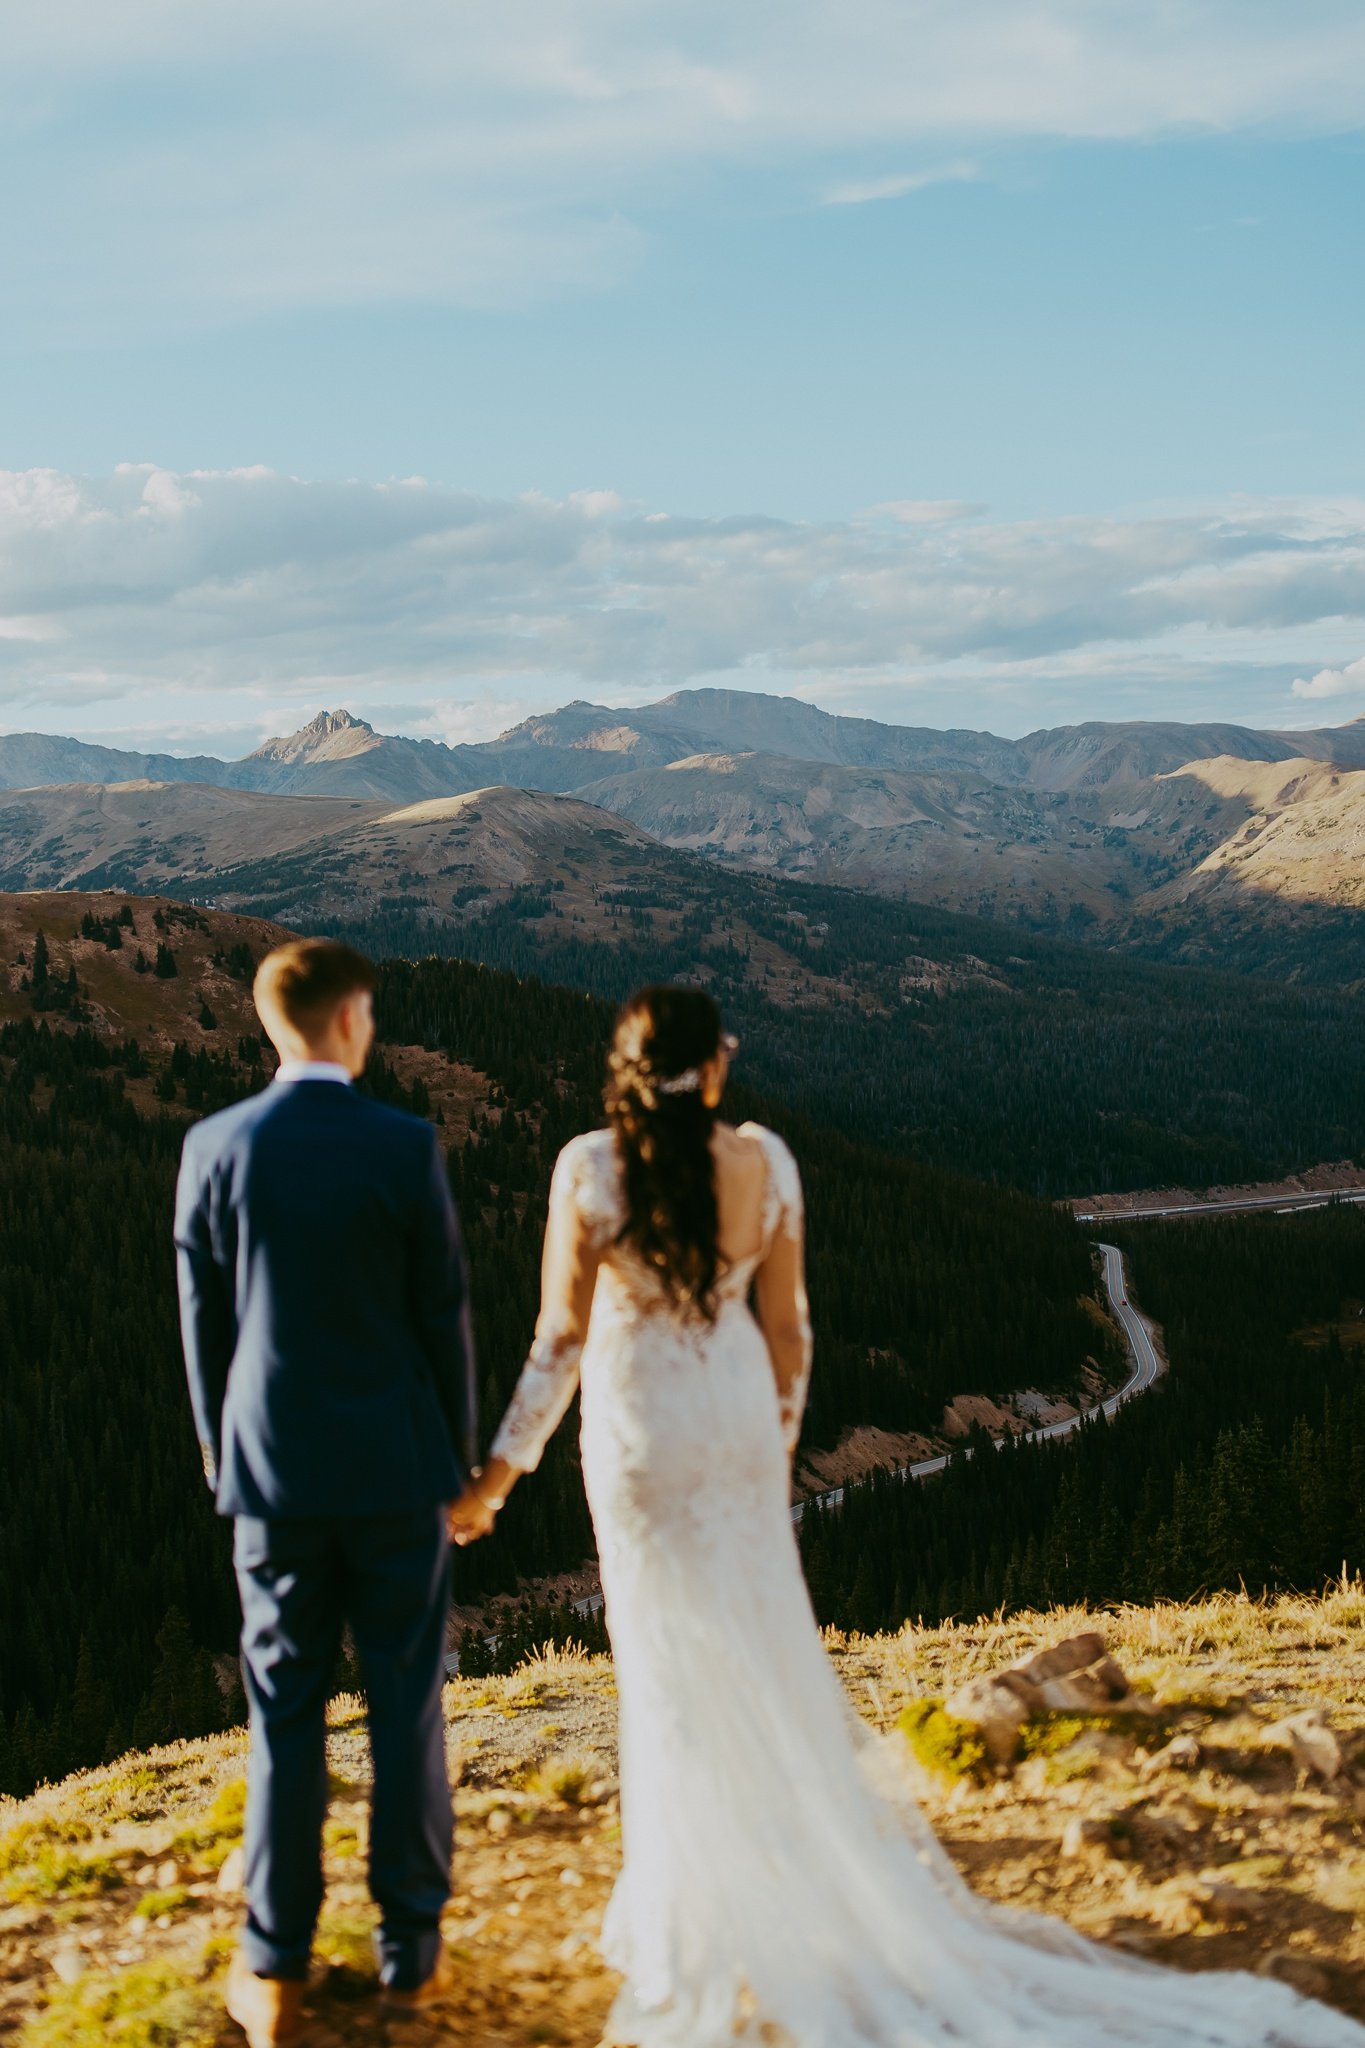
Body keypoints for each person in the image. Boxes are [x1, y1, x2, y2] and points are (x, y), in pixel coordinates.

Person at [452, 982, 1365, 2048]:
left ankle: (683, 1903)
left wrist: (498, 1475)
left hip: (640, 1425)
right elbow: (790, 1330)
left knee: (662, 1657)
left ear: (622, 1064)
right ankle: (783, 1872)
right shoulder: (765, 1162)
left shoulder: (588, 1167)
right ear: (717, 1062)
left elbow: (559, 1342)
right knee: (761, 1638)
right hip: (738, 1420)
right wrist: (774, 1445)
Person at [175, 938, 475, 2048]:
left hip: (273, 1473)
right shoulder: (404, 1145)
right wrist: (459, 1460)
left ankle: (274, 1963)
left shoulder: (215, 1146)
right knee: (406, 1702)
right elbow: (443, 1317)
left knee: (283, 1709)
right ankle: (410, 1954)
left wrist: (222, 1452)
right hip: (398, 1470)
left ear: (270, 1024)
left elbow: (204, 1325)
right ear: (351, 1019)